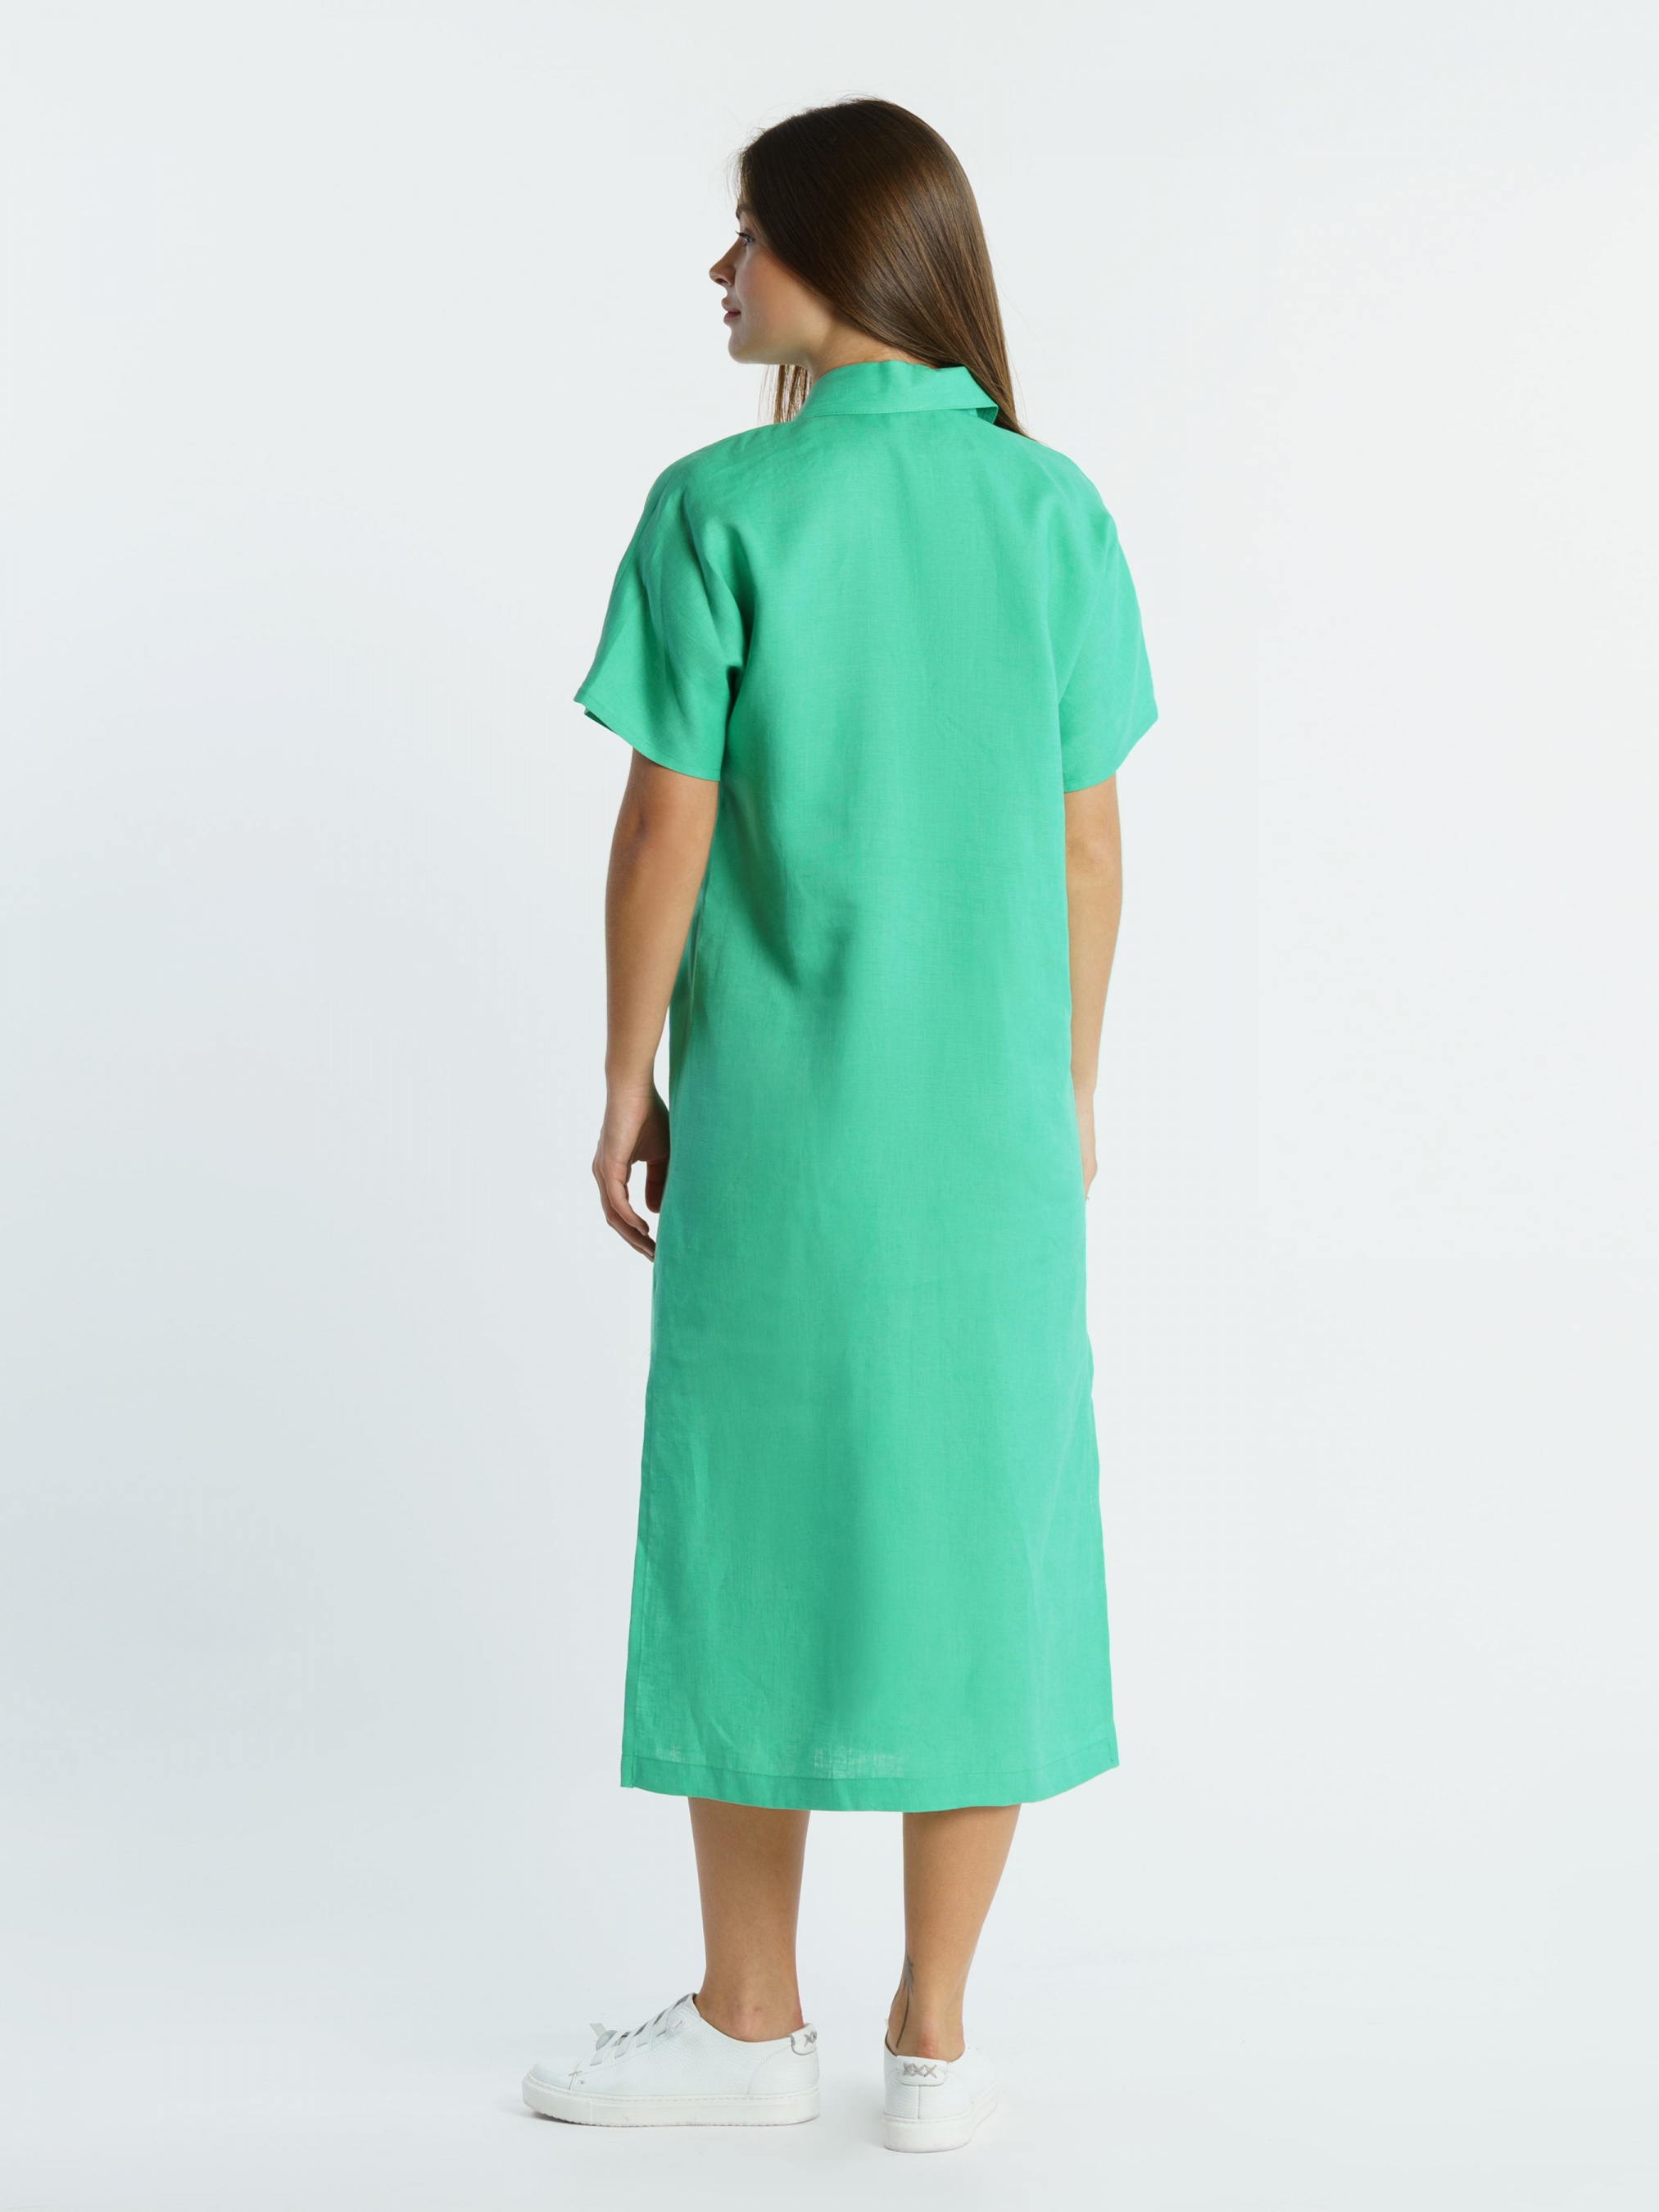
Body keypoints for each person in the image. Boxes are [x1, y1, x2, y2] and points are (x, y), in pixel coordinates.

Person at [524, 97, 1157, 2154]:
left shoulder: (722, 502)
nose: (718, 274)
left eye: (747, 237)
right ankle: (934, 2044)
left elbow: (664, 823)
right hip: (992, 1146)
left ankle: (745, 2019)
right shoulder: (1050, 509)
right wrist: (1064, 1084)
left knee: (753, 1531)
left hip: (787, 1135)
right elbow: (1085, 844)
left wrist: (624, 1073)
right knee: (980, 1536)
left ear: (839, 250)